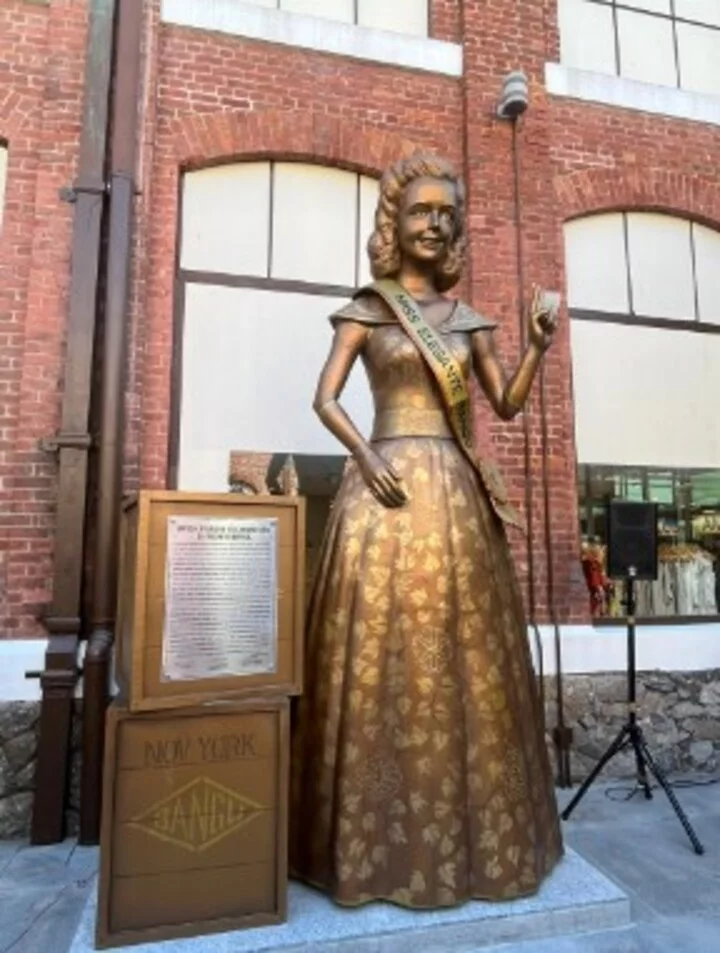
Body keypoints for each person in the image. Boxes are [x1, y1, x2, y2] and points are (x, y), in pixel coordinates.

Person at [289, 154, 563, 908]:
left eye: (447, 213)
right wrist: (369, 456)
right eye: (422, 211)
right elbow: (325, 397)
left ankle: (487, 846)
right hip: (384, 491)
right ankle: (361, 846)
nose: (435, 224)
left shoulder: (468, 320)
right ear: (395, 223)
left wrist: (538, 343)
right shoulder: (367, 310)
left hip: (454, 496)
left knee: (466, 652)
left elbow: (504, 404)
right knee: (376, 646)